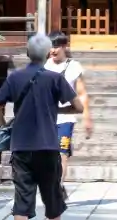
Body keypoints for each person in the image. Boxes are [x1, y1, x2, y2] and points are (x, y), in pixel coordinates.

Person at [0, 33, 82, 220]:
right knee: (52, 202)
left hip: (21, 145)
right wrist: (56, 110)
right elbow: (79, 107)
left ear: (28, 52)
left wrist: (4, 126)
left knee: (22, 202)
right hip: (47, 145)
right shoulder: (55, 78)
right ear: (48, 53)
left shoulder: (15, 78)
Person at [45, 32, 92, 191]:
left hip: (66, 117)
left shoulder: (74, 66)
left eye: (56, 46)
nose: (53, 50)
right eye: (51, 46)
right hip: (47, 117)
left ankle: (58, 188)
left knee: (62, 153)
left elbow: (82, 93)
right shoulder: (44, 66)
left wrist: (87, 117)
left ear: (64, 46)